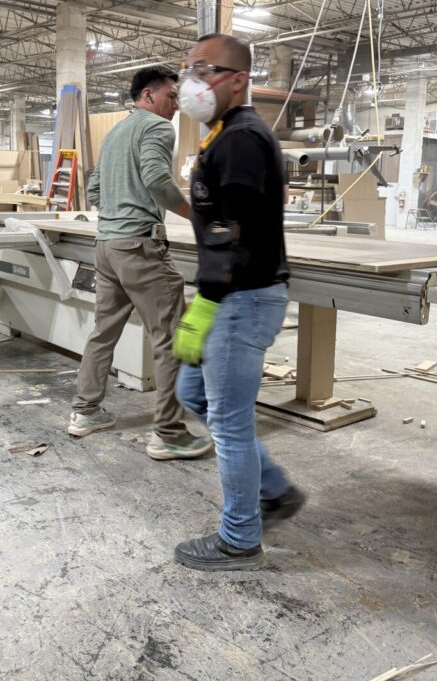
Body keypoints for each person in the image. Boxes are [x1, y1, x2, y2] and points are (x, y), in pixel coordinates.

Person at [171, 33, 306, 571]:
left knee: (228, 423)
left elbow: (233, 236)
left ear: (239, 79)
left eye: (206, 70)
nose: (193, 81)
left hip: (241, 299)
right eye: (190, 69)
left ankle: (240, 539)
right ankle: (274, 490)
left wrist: (205, 305)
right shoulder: (223, 135)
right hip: (229, 297)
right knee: (194, 396)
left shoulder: (244, 139)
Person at [68, 65, 213, 461]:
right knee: (170, 339)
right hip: (139, 249)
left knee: (103, 331)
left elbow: (94, 188)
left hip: (107, 246)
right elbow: (157, 180)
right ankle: (168, 432)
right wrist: (197, 216)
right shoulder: (157, 127)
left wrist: (118, 210)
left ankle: (85, 412)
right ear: (147, 95)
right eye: (171, 96)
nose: (176, 106)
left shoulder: (116, 131)